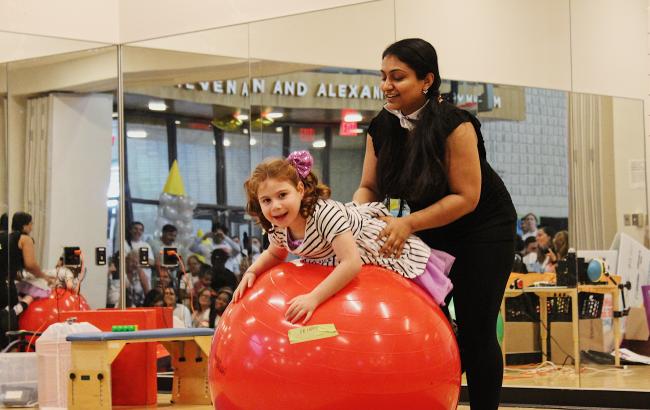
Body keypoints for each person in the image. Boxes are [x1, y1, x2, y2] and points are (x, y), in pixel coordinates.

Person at [352, 39, 516, 408]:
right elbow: (368, 186)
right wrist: (352, 216)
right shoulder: (380, 126)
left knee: (476, 330)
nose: (387, 85)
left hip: (483, 231)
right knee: (429, 329)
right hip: (428, 230)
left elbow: (466, 197)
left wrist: (407, 224)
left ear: (427, 80)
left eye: (398, 77)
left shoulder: (455, 124)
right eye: (383, 77)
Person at [233, 151, 454, 324]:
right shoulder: (279, 226)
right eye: (266, 200)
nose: (276, 206)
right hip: (336, 259)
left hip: (375, 248)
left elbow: (351, 263)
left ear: (300, 190)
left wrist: (314, 298)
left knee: (414, 305)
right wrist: (252, 271)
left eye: (282, 195)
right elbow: (275, 253)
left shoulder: (325, 214)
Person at [1, 212, 51, 347]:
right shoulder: (25, 239)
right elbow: (30, 264)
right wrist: (44, 277)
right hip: (5, 285)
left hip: (6, 280)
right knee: (10, 320)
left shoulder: (5, 238)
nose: (32, 227)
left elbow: (6, 263)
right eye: (31, 224)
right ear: (25, 225)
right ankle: (10, 351)